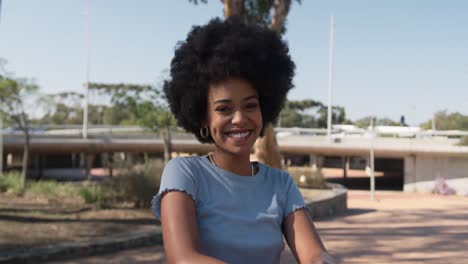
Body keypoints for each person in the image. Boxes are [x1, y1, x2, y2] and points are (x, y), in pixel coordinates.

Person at [151, 17, 335, 264]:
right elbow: (183, 258)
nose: (239, 118)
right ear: (203, 118)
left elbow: (314, 254)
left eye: (250, 105)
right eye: (224, 109)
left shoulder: (280, 184)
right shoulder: (184, 173)